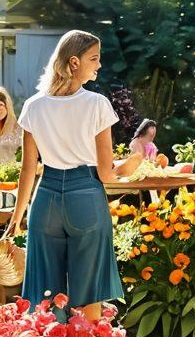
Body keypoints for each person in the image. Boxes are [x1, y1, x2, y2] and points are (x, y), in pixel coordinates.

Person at [8, 30, 142, 320]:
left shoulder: (33, 105)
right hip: (86, 196)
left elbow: (28, 169)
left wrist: (16, 217)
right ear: (73, 62)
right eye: (94, 58)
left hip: (45, 200)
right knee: (89, 289)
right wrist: (134, 161)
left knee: (45, 295)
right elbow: (107, 173)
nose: (99, 65)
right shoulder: (96, 104)